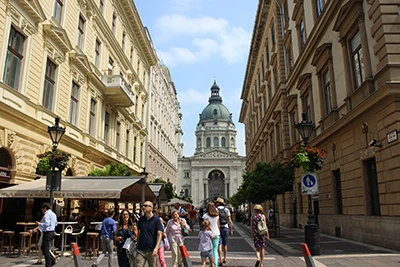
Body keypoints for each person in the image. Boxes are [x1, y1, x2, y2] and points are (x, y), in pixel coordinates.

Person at [136, 201, 163, 267]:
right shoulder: (141, 219)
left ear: (151, 208)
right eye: (143, 205)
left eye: (145, 206)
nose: (143, 207)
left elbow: (160, 234)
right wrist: (137, 242)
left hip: (151, 250)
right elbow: (139, 232)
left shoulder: (156, 220)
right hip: (141, 249)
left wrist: (156, 248)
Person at [37, 202, 57, 267]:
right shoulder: (54, 214)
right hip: (52, 232)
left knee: (45, 249)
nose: (42, 211)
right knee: (43, 247)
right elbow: (56, 223)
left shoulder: (47, 214)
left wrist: (39, 224)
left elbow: (47, 224)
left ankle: (49, 263)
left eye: (42, 209)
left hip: (48, 232)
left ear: (45, 208)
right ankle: (52, 259)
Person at [215, 198, 233, 266]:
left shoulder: (216, 209)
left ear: (218, 203)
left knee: (219, 244)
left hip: (218, 228)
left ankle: (220, 259)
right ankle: (225, 258)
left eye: (217, 202)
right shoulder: (227, 210)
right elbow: (229, 220)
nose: (216, 203)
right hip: (225, 227)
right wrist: (231, 229)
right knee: (225, 244)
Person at [202, 202, 220, 267]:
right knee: (215, 250)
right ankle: (215, 264)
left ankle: (210, 264)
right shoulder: (217, 215)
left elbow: (204, 226)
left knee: (209, 249)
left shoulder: (205, 216)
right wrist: (218, 232)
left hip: (207, 234)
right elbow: (218, 225)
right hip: (216, 233)